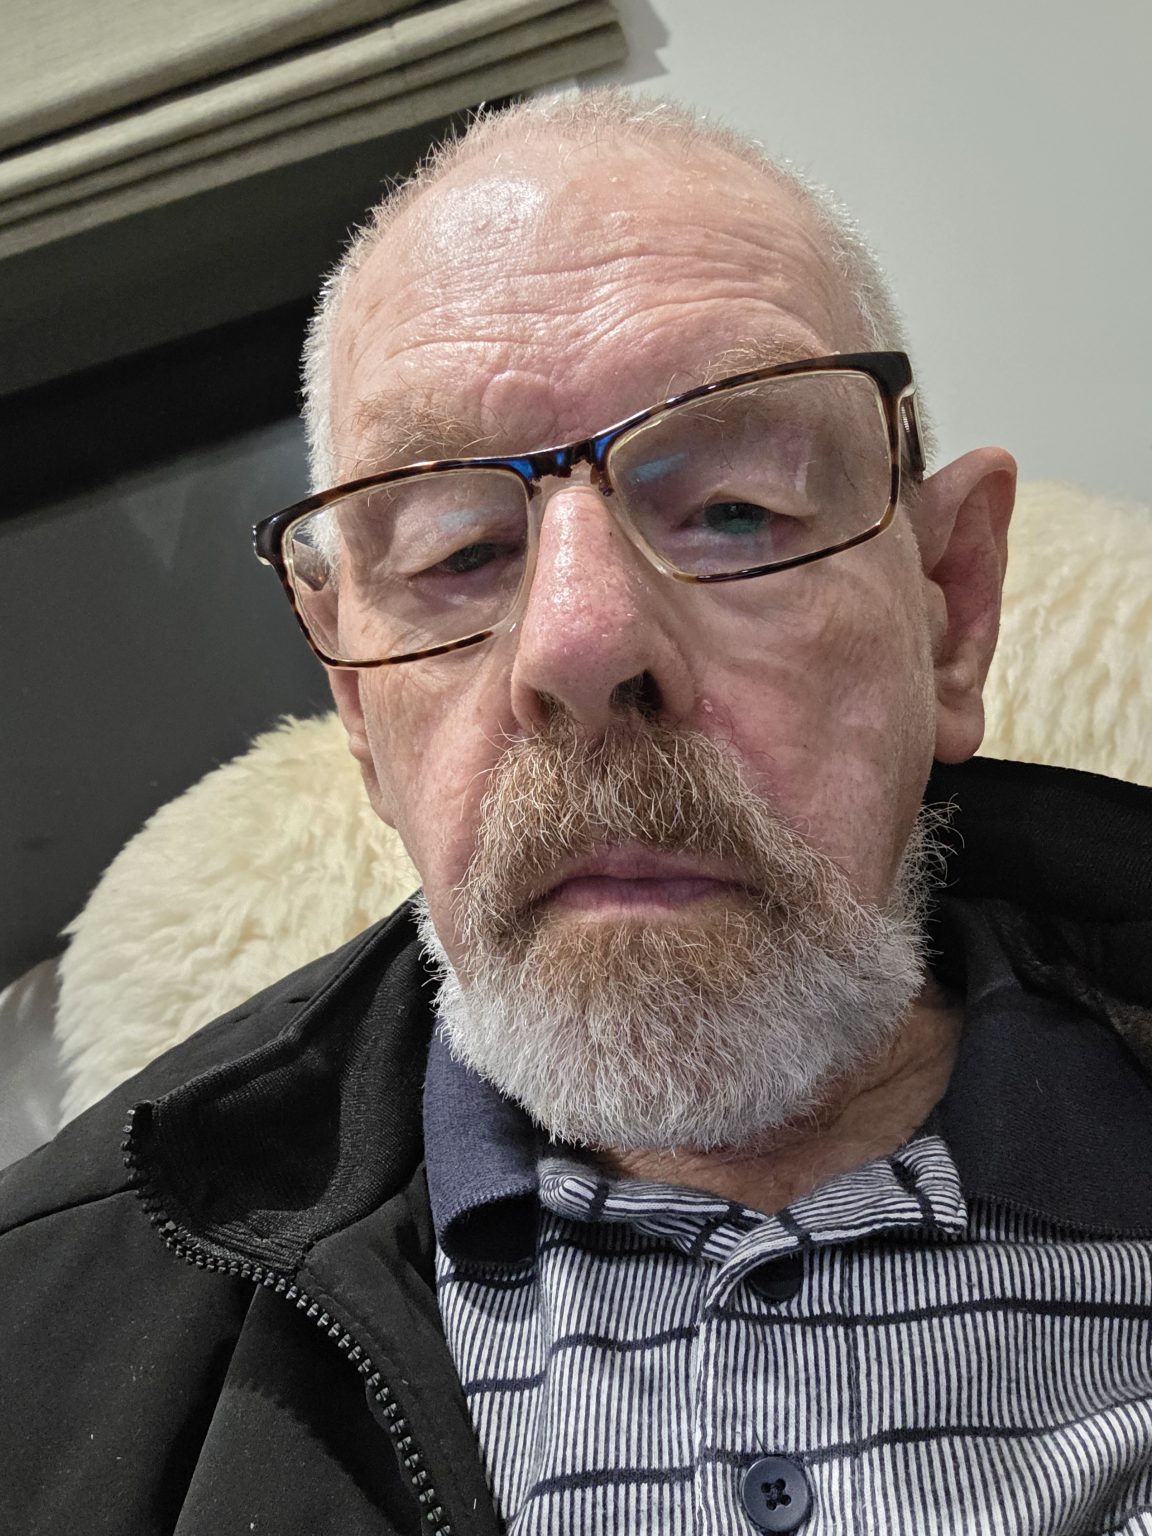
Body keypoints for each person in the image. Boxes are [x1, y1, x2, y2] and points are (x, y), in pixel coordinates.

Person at [3, 89, 1151, 1536]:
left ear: (950, 613)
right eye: (460, 552)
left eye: (734, 510)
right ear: (356, 704)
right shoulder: (35, 1368)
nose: (582, 643)